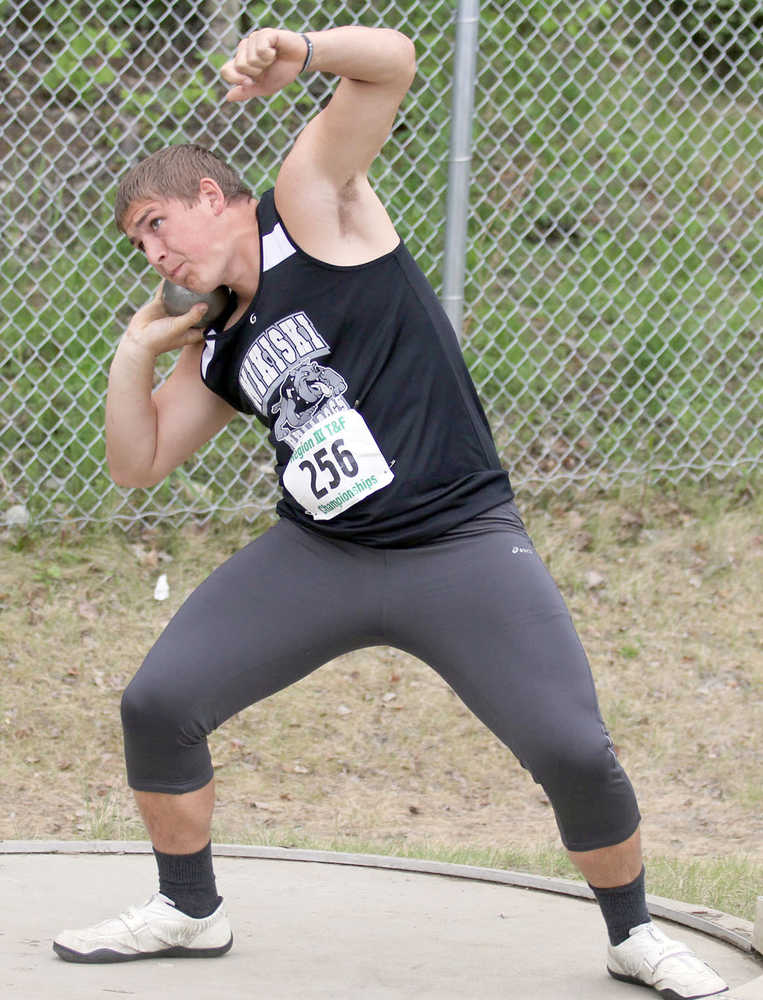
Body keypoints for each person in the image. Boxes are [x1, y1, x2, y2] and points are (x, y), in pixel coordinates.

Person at [53, 26, 728, 998]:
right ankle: (188, 911)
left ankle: (633, 935)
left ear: (213, 196)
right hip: (320, 555)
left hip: (458, 543)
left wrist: (301, 49)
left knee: (573, 748)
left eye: (157, 223)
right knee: (158, 704)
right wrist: (133, 355)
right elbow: (139, 461)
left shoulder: (310, 208)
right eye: (138, 243)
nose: (152, 251)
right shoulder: (219, 341)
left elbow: (396, 62)